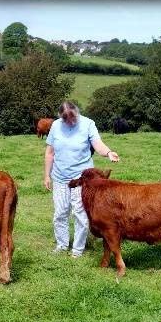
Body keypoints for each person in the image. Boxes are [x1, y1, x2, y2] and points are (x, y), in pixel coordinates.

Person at [43, 101, 120, 258]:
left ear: (77, 112)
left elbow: (97, 144)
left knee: (80, 214)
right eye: (67, 119)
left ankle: (78, 249)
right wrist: (47, 175)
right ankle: (62, 245)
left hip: (82, 179)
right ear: (61, 117)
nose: (71, 122)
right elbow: (49, 153)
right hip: (60, 177)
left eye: (73, 118)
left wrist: (108, 152)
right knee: (60, 213)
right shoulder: (56, 126)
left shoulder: (88, 124)